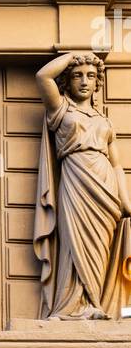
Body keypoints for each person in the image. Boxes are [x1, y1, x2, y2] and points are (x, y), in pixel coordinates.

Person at [33, 51, 131, 319]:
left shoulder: (104, 121)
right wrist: (74, 56)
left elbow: (117, 165)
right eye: (77, 76)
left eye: (91, 76)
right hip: (75, 179)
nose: (84, 81)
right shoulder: (61, 109)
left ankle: (94, 303)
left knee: (99, 247)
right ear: (68, 81)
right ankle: (72, 305)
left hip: (105, 186)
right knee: (74, 241)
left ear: (98, 82)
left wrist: (126, 201)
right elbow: (43, 76)